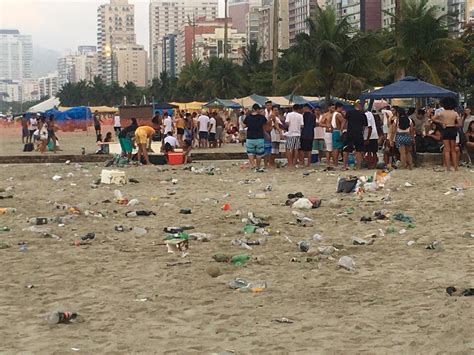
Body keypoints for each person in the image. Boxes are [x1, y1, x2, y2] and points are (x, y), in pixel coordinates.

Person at [432, 97, 462, 171]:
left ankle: (448, 167)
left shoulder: (442, 113)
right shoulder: (455, 113)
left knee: (447, 150)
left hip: (445, 129)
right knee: (453, 150)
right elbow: (460, 124)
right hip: (453, 130)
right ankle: (455, 167)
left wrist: (441, 122)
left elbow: (433, 118)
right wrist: (455, 125)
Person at [243, 103, 271, 171]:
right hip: (259, 137)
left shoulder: (248, 117)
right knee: (259, 153)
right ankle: (258, 166)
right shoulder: (262, 117)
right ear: (258, 109)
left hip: (250, 138)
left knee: (250, 153)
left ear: (253, 109)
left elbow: (244, 125)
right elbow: (266, 123)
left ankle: (252, 166)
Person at [342, 102, 367, 170]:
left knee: (346, 150)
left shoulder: (349, 112)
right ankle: (358, 167)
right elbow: (364, 126)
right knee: (359, 151)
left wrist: (341, 130)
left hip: (350, 133)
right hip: (359, 133)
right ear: (360, 106)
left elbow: (344, 121)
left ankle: (344, 166)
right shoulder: (363, 114)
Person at [331, 102, 344, 166]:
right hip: (338, 131)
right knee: (337, 148)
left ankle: (335, 162)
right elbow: (343, 121)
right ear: (339, 107)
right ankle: (336, 163)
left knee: (335, 147)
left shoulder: (333, 114)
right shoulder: (338, 114)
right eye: (341, 108)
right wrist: (341, 130)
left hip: (334, 131)